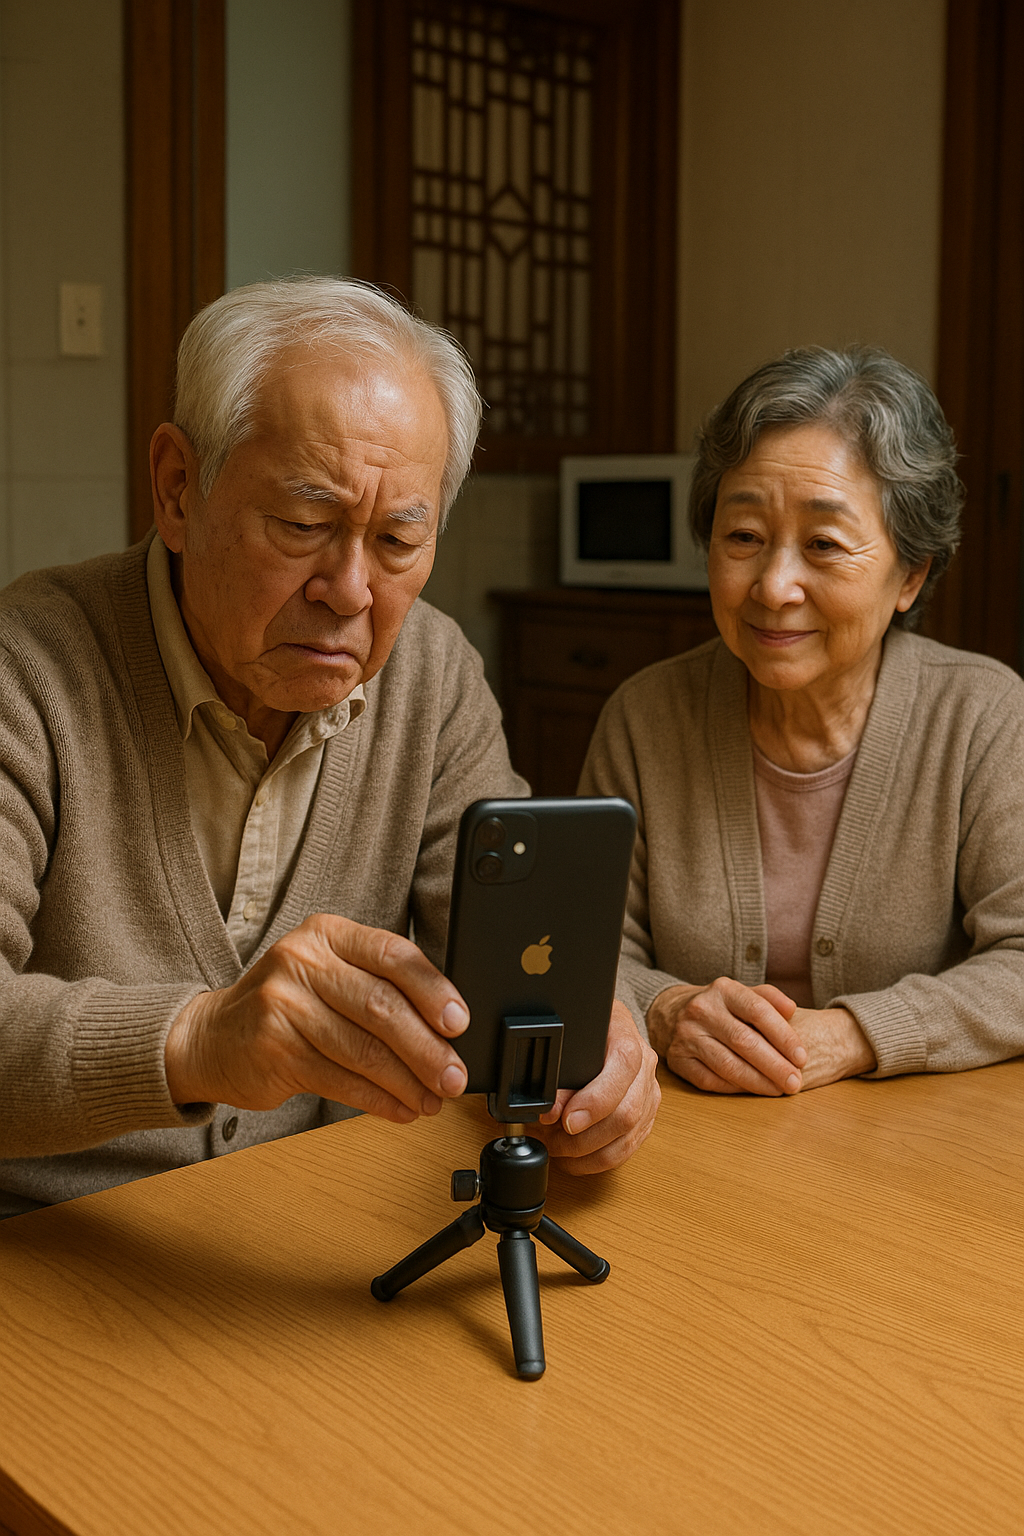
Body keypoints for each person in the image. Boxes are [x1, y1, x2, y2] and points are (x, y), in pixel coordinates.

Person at [0, 277, 658, 1216]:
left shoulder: (431, 674)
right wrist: (199, 1040)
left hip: (310, 1224)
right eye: (304, 525)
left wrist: (607, 1036)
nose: (350, 590)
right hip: (49, 1240)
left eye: (397, 540)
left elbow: (521, 947)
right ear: (178, 488)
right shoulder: (25, 670)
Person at [582, 346, 1024, 1095]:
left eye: (823, 545)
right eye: (744, 537)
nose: (774, 586)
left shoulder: (982, 717)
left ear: (910, 575)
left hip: (911, 1141)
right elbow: (580, 951)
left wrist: (856, 1035)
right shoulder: (645, 716)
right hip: (689, 1129)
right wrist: (665, 1008)